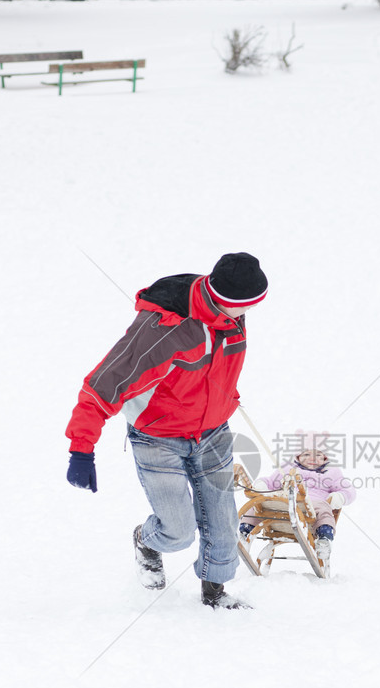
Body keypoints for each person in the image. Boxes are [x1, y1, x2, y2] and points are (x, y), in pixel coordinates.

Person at [65, 252, 268, 609]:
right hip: (158, 438)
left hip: (212, 433)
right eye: (244, 307)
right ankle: (147, 541)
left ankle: (215, 595)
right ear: (223, 300)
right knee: (177, 531)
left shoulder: (232, 317)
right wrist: (82, 448)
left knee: (223, 527)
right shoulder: (165, 329)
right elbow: (104, 384)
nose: (248, 314)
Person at [239, 434, 356, 559]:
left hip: (312, 507)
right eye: (306, 454)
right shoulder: (288, 469)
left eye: (317, 455)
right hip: (283, 505)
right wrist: (262, 486)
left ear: (325, 457)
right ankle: (245, 531)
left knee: (324, 509)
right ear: (298, 457)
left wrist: (340, 496)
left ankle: (324, 539)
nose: (312, 458)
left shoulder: (331, 472)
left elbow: (348, 489)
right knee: (260, 505)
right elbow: (269, 481)